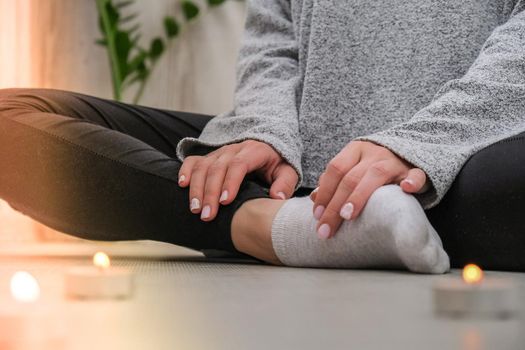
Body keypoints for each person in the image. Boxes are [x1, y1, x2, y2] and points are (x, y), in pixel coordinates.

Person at [1, 0, 525, 272]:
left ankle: (351, 220)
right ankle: (273, 225)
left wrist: (418, 143)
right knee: (9, 117)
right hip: (294, 166)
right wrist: (263, 132)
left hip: (459, 157)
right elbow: (273, 34)